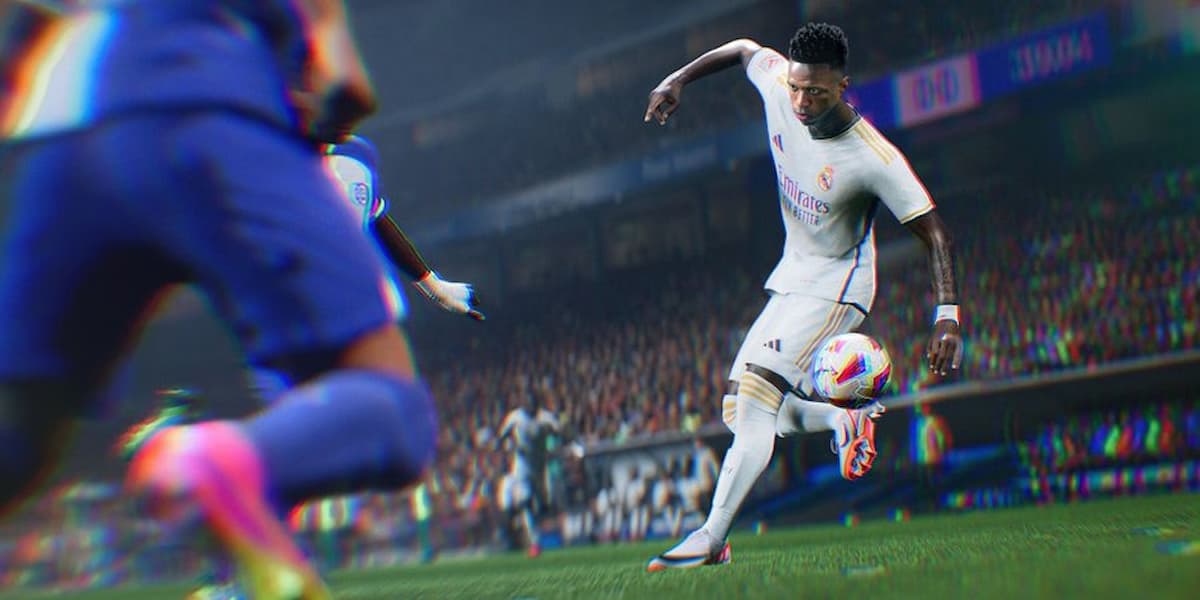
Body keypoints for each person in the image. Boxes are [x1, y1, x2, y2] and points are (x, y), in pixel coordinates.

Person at [0, 1, 439, 597]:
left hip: (57, 121)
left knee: (21, 430)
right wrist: (329, 44)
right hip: (199, 86)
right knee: (391, 406)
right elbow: (343, 83)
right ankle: (215, 463)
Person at [642, 22, 963, 571]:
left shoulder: (872, 157)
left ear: (842, 86)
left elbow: (934, 232)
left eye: (815, 92)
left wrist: (947, 316)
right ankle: (842, 421)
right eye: (796, 87)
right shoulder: (779, 85)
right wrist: (677, 79)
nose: (801, 101)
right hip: (792, 273)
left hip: (838, 285)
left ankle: (712, 537)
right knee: (737, 408)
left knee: (757, 397)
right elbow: (742, 49)